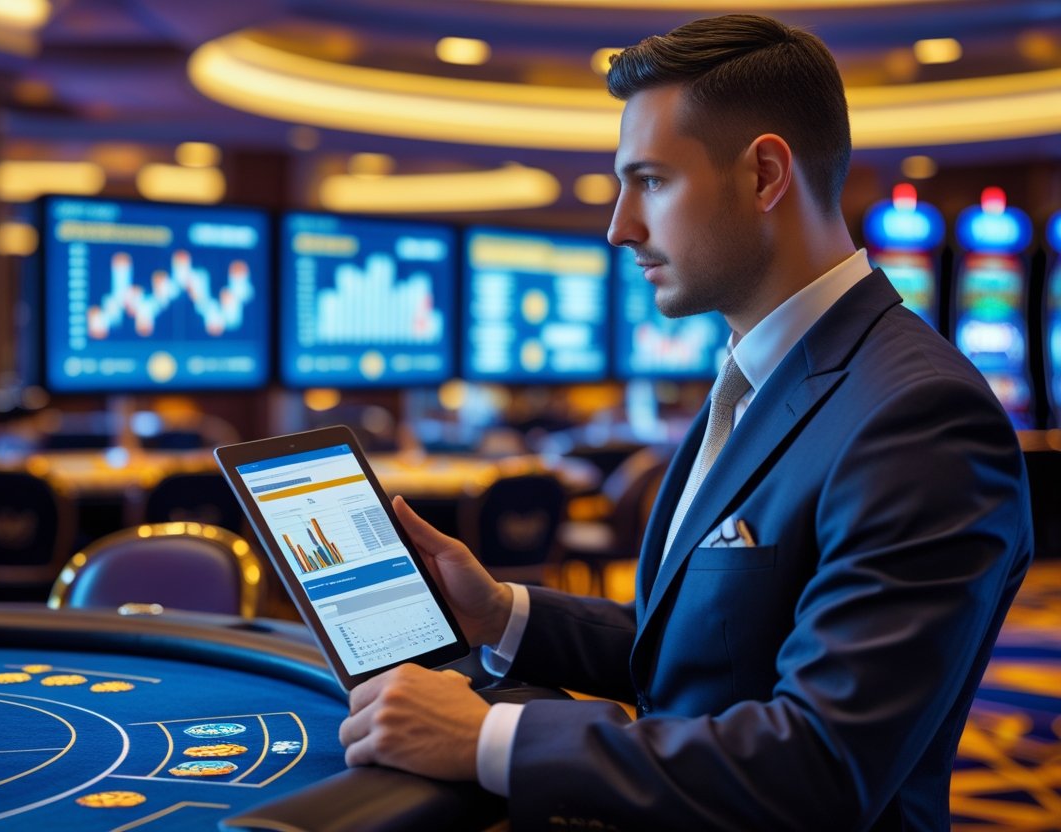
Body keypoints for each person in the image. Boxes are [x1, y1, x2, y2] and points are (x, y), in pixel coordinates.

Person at [338, 13, 1033, 830]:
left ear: (766, 174)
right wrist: (501, 614)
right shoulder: (758, 373)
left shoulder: (920, 418)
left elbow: (821, 765)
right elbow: (708, 652)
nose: (619, 226)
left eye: (652, 181)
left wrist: (490, 736)